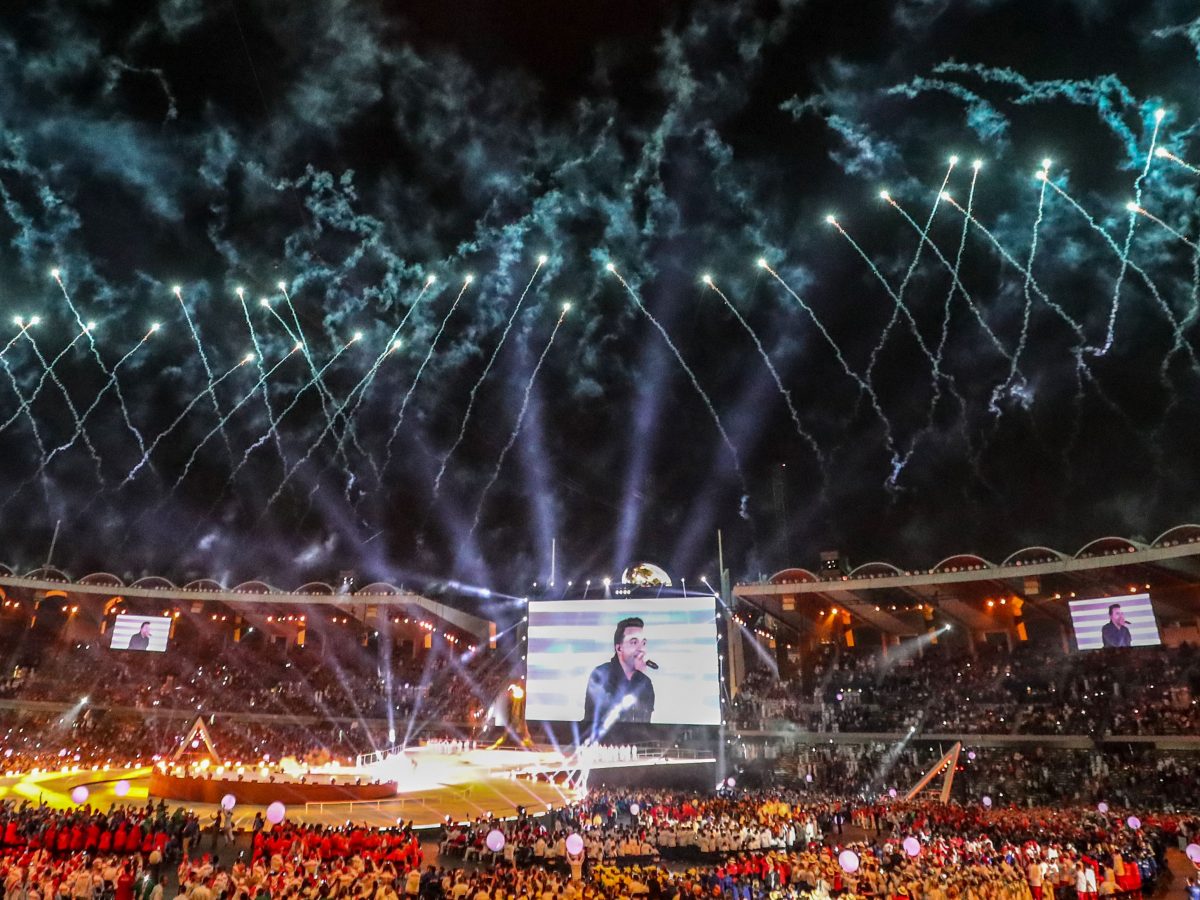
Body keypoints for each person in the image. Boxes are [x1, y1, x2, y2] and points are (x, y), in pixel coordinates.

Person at [582, 618, 655, 735]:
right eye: (634, 642)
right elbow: (596, 722)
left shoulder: (645, 683)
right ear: (619, 648)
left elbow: (645, 726)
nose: (641, 649)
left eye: (644, 643)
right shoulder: (601, 675)